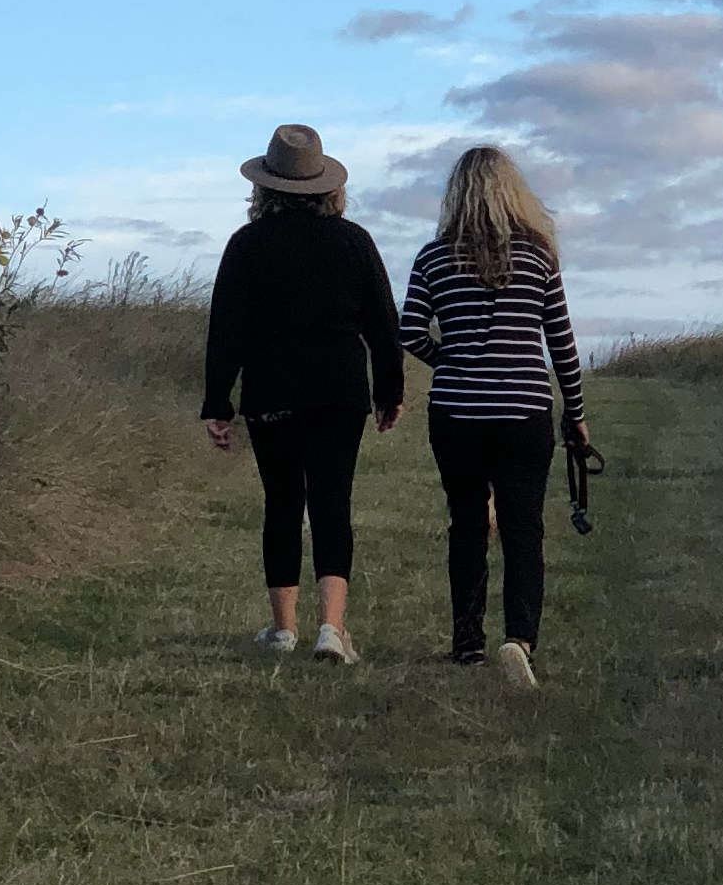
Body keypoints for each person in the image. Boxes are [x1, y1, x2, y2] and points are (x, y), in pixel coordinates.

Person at [200, 124, 404, 666]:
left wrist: (217, 403)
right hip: (340, 390)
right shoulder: (354, 241)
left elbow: (226, 330)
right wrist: (390, 391)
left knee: (283, 504)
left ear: (263, 187)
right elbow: (383, 324)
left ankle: (283, 629)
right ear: (328, 187)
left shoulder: (246, 245)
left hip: (272, 390)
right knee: (333, 503)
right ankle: (331, 629)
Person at [398, 144, 587, 689]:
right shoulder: (538, 256)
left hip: (456, 412)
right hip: (524, 410)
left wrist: (449, 359)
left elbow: (409, 331)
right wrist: (575, 414)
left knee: (466, 523)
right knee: (524, 526)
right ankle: (519, 639)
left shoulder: (433, 258)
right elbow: (561, 343)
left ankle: (467, 642)